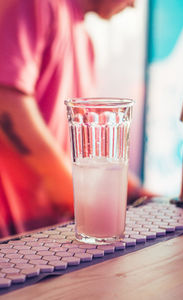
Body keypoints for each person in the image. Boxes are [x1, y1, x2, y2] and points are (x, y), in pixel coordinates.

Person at [0, 0, 151, 238]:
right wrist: (69, 188)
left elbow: (78, 146)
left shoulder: (85, 42)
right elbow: (5, 101)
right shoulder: (36, 4)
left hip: (42, 234)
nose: (133, 5)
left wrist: (135, 192)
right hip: (8, 235)